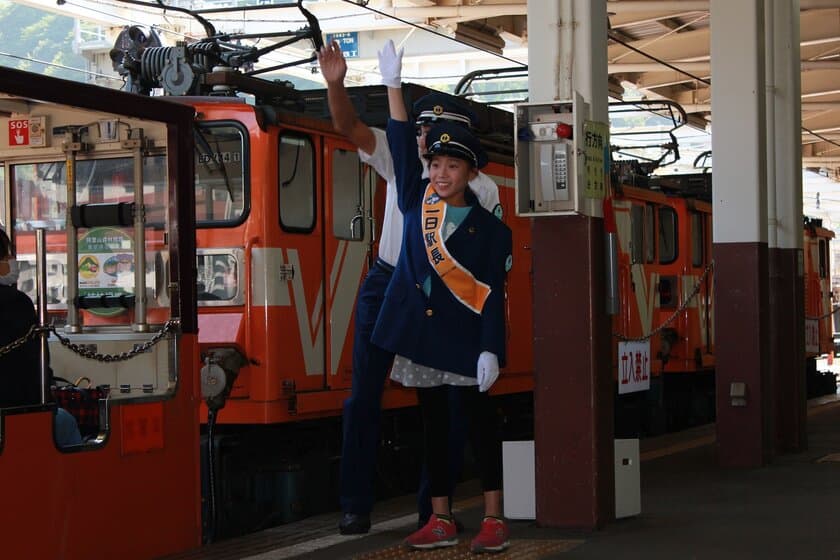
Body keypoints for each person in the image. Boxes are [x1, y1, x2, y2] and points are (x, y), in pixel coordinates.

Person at [316, 40, 503, 535]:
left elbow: (484, 264)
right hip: (387, 281)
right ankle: (355, 505)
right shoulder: (400, 161)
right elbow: (347, 127)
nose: (423, 139)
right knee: (363, 395)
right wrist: (335, 84)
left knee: (442, 404)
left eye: (433, 131)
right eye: (419, 130)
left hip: (447, 296)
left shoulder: (482, 189)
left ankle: (432, 511)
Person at [373, 40, 512, 553]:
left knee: (479, 425)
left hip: (466, 340)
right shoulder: (415, 198)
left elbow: (493, 295)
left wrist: (490, 347)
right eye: (435, 165)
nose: (440, 174)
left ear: (471, 172)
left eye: (452, 166)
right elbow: (396, 136)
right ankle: (441, 517)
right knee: (432, 425)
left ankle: (494, 517)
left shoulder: (491, 232)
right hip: (421, 335)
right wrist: (393, 86)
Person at [0, 227, 82, 447]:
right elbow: (33, 368)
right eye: (6, 255)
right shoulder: (15, 303)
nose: (11, 261)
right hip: (15, 413)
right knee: (66, 423)